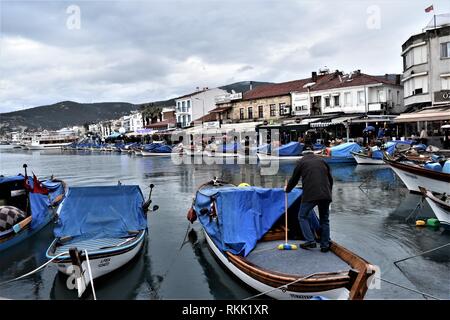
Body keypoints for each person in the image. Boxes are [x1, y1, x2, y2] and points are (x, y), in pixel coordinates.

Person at [284, 148, 333, 252]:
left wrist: (287, 190)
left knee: (302, 216)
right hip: (326, 194)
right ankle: (325, 245)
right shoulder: (322, 160)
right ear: (313, 153)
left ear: (303, 154)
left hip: (311, 194)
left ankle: (310, 241)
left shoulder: (301, 162)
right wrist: (329, 193)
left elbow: (294, 179)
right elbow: (330, 179)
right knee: (325, 219)